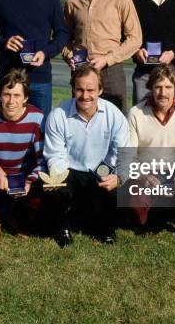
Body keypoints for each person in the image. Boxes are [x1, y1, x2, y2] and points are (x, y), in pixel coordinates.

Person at [44, 64, 129, 246]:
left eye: (90, 90)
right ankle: (62, 228)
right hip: (70, 168)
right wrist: (57, 178)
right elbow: (55, 154)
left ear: (100, 90)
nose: (85, 95)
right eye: (80, 89)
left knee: (115, 188)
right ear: (73, 89)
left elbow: (123, 152)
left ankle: (106, 229)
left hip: (102, 167)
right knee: (55, 189)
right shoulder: (58, 114)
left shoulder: (114, 115)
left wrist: (118, 176)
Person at [63, 0, 142, 113]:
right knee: (80, 121)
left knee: (115, 122)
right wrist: (68, 55)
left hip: (111, 71)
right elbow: (64, 38)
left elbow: (135, 38)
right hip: (81, 71)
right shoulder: (72, 1)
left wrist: (107, 59)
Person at [0, 69, 45, 244]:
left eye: (17, 95)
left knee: (42, 184)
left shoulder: (38, 118)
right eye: (6, 94)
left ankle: (18, 221)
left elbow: (42, 160)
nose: (11, 101)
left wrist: (29, 180)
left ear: (26, 98)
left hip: (24, 175)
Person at [127, 65, 175, 234]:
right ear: (150, 87)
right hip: (147, 172)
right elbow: (130, 155)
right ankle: (148, 216)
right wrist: (143, 176)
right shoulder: (135, 113)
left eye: (168, 87)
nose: (163, 93)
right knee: (137, 210)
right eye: (158, 87)